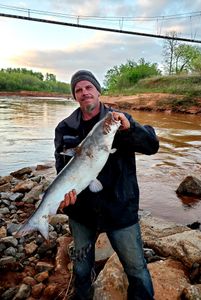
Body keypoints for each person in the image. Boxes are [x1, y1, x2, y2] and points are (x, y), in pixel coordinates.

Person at [54, 70, 159, 300]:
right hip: (81, 213)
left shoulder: (118, 120)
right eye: (78, 90)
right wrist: (64, 199)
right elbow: (60, 167)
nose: (84, 93)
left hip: (120, 209)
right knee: (81, 269)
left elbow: (152, 145)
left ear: (98, 91)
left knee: (137, 270)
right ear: (74, 96)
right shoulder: (65, 128)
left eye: (88, 87)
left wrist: (130, 128)